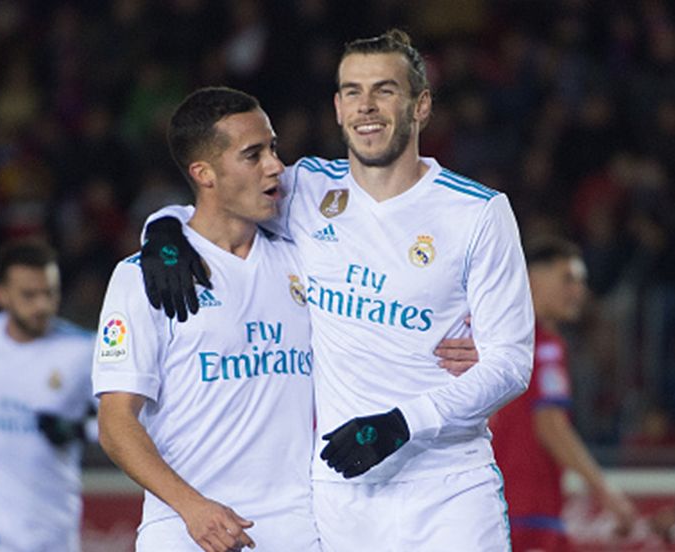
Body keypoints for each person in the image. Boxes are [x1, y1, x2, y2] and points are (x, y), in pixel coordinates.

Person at [140, 29, 535, 550]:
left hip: (449, 488)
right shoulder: (307, 191)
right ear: (337, 106)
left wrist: (402, 422)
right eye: (352, 91)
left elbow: (510, 364)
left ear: (421, 106)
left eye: (385, 90)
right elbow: (219, 203)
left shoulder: (477, 212)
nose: (366, 106)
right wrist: (164, 228)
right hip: (340, 495)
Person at [92, 87, 320, 552]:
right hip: (188, 530)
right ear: (204, 173)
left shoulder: (305, 260)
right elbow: (116, 424)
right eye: (252, 155)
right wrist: (191, 506)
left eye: (273, 148)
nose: (276, 166)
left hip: (300, 529)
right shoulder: (142, 278)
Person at [0, 239, 96, 552]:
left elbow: (124, 422)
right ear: (1, 295)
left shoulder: (83, 351)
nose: (42, 305)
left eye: (49, 293)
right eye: (29, 295)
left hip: (51, 522)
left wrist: (78, 430)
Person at [491, 236, 637, 551]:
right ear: (531, 277)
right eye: (568, 279)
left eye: (582, 281)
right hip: (529, 512)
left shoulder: (492, 336)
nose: (578, 291)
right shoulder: (542, 344)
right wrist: (605, 492)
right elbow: (550, 423)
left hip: (495, 509)